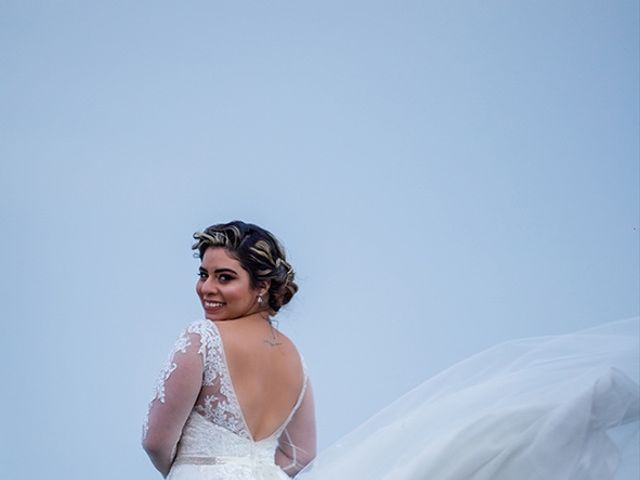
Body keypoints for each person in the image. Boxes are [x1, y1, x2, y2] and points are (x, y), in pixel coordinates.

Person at [143, 221, 317, 479]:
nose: (207, 288)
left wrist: (193, 469)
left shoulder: (203, 339)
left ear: (262, 286)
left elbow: (155, 442)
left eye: (225, 277)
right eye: (204, 274)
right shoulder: (294, 357)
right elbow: (301, 454)